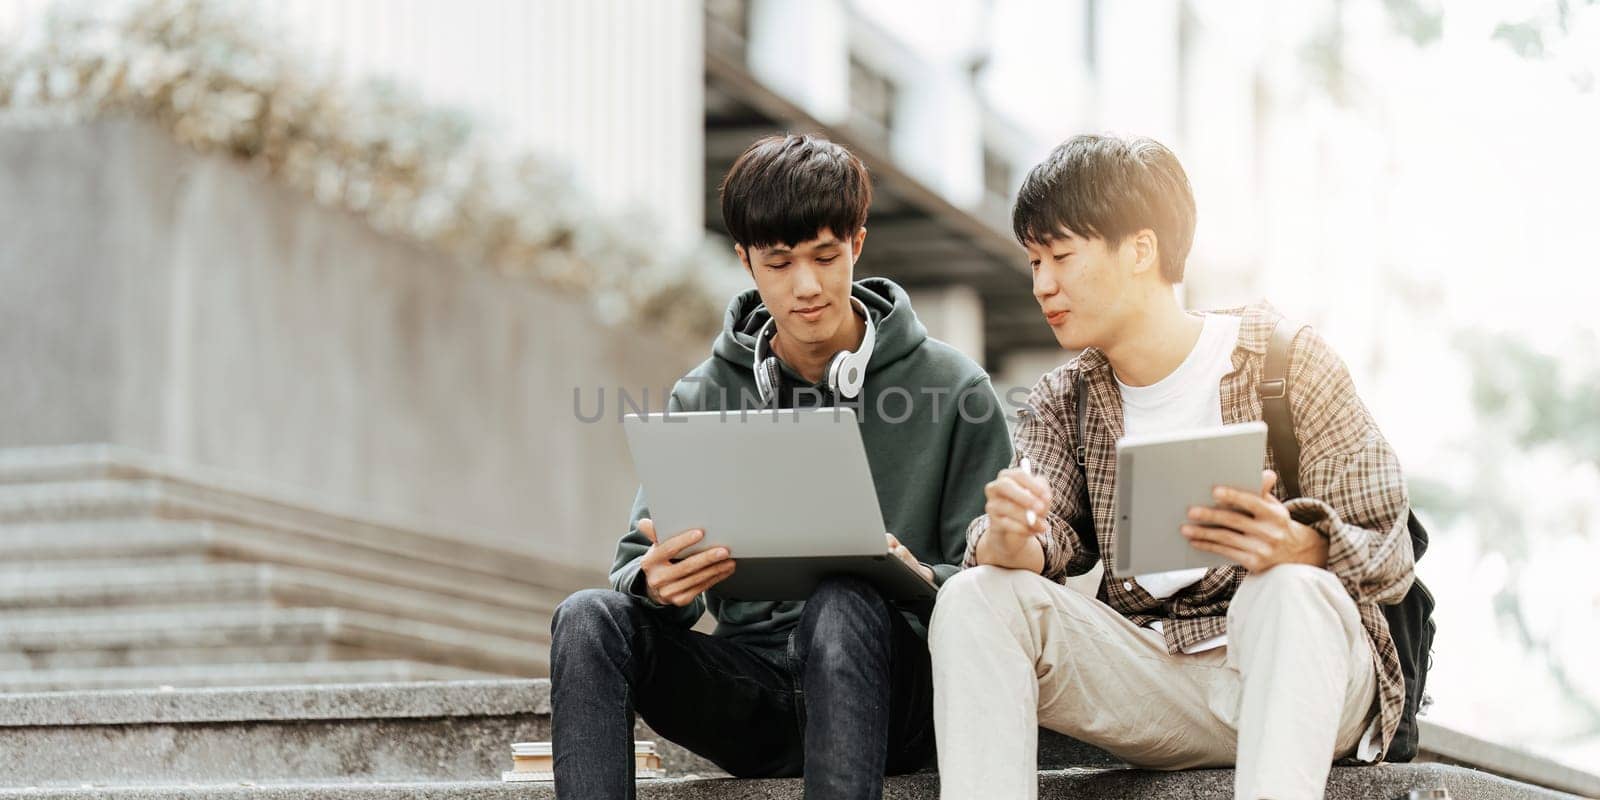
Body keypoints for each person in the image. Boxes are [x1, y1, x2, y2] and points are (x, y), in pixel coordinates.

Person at [929, 134, 1415, 800]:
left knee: (1288, 588)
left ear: (1141, 249)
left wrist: (1298, 545)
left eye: (1061, 256)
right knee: (972, 596)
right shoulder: (1062, 399)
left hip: (1305, 674)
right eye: (1034, 260)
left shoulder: (1286, 361)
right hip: (1163, 679)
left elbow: (1390, 550)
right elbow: (1047, 546)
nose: (1042, 284)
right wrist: (1009, 541)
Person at [550, 133, 1014, 800]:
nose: (805, 287)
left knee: (846, 598)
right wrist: (656, 586)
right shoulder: (702, 394)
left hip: (898, 694)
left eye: (826, 257)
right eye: (779, 263)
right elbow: (634, 565)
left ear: (857, 243)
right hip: (753, 691)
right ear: (745, 261)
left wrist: (911, 575)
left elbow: (997, 587)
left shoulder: (957, 388)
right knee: (587, 618)